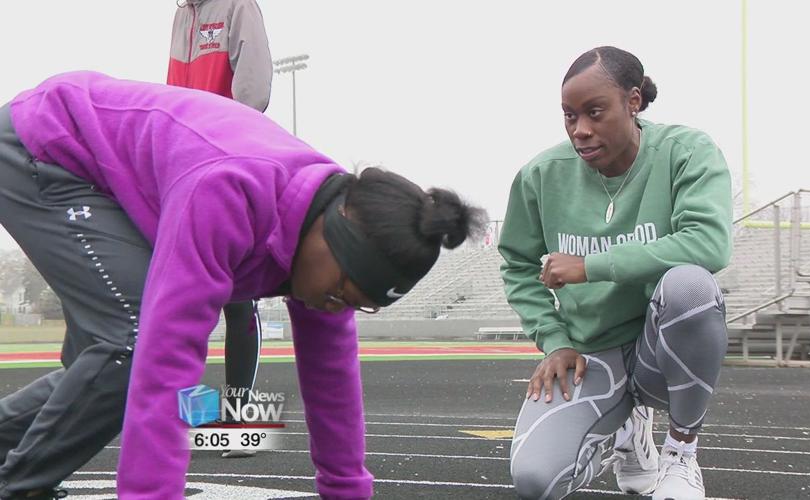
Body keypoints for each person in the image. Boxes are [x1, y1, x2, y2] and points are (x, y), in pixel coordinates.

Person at [0, 71, 485, 499]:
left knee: (106, 365)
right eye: (339, 292)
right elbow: (169, 363)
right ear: (331, 235)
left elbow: (332, 385)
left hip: (116, 178)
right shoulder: (229, 193)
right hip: (45, 144)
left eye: (356, 306)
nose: (333, 306)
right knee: (132, 341)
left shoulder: (332, 250)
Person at [499, 46, 731, 500]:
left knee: (691, 287)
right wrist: (555, 340)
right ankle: (628, 437)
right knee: (535, 482)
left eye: (595, 112)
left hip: (657, 352)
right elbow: (518, 265)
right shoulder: (540, 175)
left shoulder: (687, 152)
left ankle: (681, 454)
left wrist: (591, 266)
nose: (580, 131)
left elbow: (709, 242)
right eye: (569, 117)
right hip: (592, 353)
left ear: (633, 101)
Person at [167, 0, 274, 459]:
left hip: (228, 162)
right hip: (183, 167)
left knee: (237, 297)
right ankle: (194, 417)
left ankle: (241, 420)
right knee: (182, 301)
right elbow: (171, 94)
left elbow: (254, 89)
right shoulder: (180, 15)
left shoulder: (237, 6)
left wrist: (228, 148)